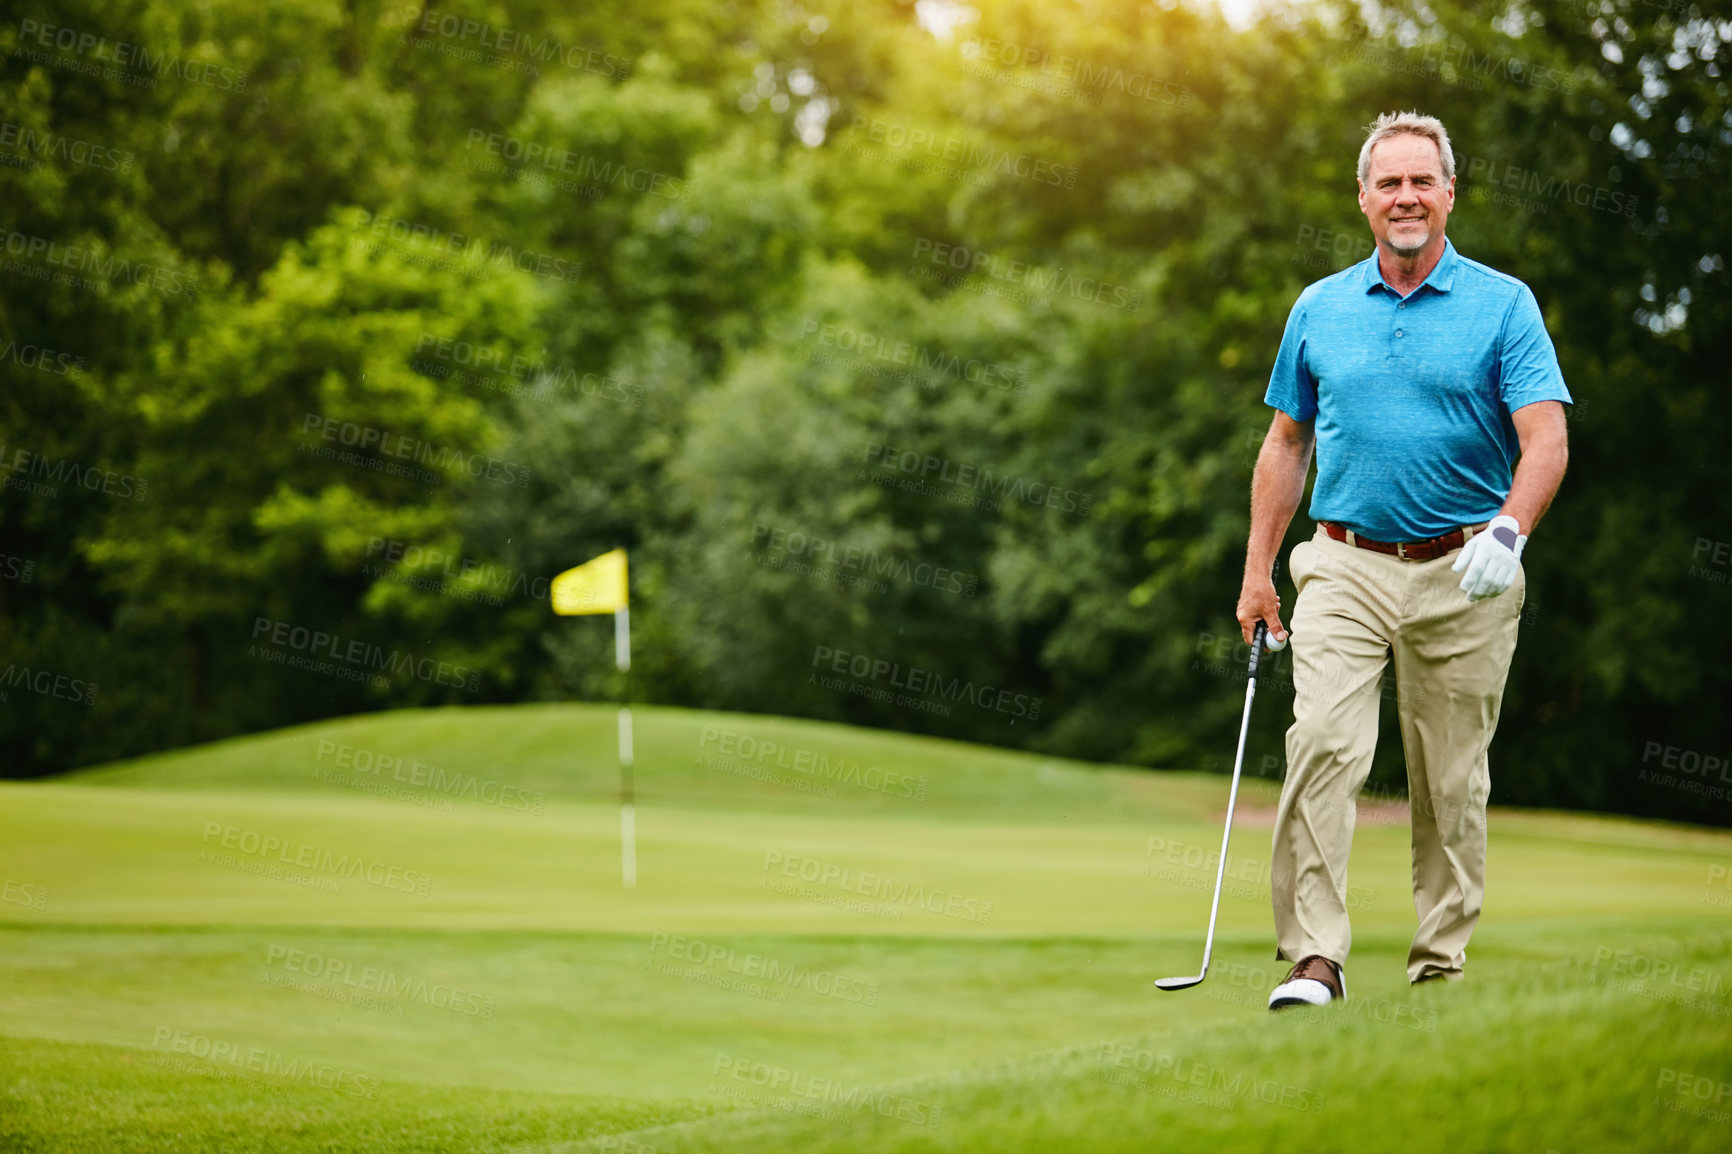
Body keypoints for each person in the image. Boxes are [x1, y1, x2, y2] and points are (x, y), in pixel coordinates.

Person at [1237, 111, 1571, 1010]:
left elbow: (1546, 439)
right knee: (1321, 745)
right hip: (1342, 562)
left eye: (1422, 180)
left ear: (1450, 192)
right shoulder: (1320, 307)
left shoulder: (1504, 305)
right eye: (1389, 182)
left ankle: (1438, 965)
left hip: (1467, 567)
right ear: (1363, 198)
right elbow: (1284, 444)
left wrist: (1509, 531)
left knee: (1451, 775)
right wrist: (1259, 568)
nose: (1406, 197)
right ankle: (1315, 959)